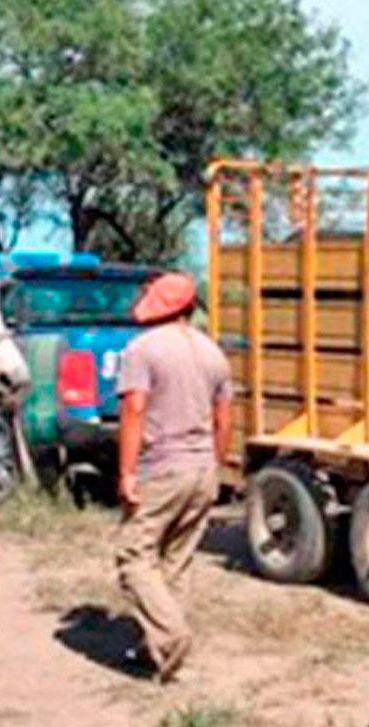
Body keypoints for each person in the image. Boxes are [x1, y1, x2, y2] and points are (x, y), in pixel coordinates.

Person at [114, 272, 232, 684]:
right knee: (175, 563)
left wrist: (127, 472)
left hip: (161, 468)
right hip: (202, 469)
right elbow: (224, 418)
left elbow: (134, 411)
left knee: (133, 558)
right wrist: (214, 465)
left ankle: (172, 635)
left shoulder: (141, 350)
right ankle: (157, 653)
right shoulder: (212, 352)